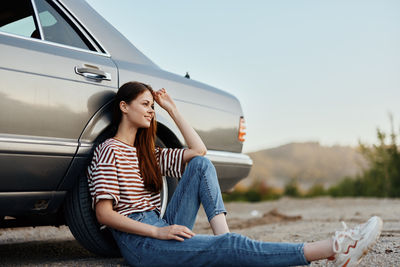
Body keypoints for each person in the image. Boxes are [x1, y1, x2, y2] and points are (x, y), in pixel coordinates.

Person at [87, 81, 382, 267]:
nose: (152, 111)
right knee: (232, 247)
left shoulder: (147, 154)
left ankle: (225, 245)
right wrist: (157, 231)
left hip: (160, 226)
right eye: (146, 105)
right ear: (124, 107)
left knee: (202, 166)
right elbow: (104, 214)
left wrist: (173, 110)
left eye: (153, 106)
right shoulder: (108, 150)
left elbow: (199, 152)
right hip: (141, 243)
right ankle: (336, 248)